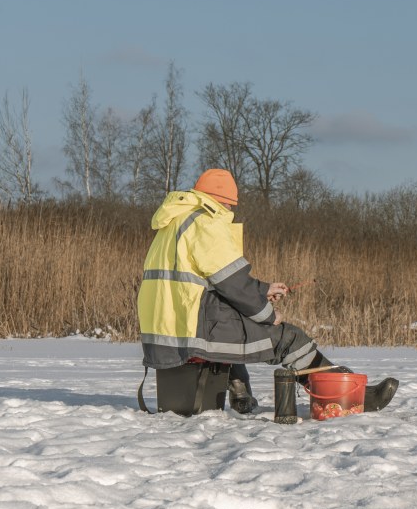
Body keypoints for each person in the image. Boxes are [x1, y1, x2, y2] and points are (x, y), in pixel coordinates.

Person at [137, 168, 398, 414]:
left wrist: (262, 290)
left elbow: (205, 281)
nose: (229, 209)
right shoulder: (206, 222)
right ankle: (350, 397)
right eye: (229, 204)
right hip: (194, 329)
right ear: (219, 200)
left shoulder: (175, 223)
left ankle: (241, 392)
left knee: (237, 326)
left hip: (169, 330)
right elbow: (233, 284)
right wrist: (267, 314)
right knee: (289, 339)